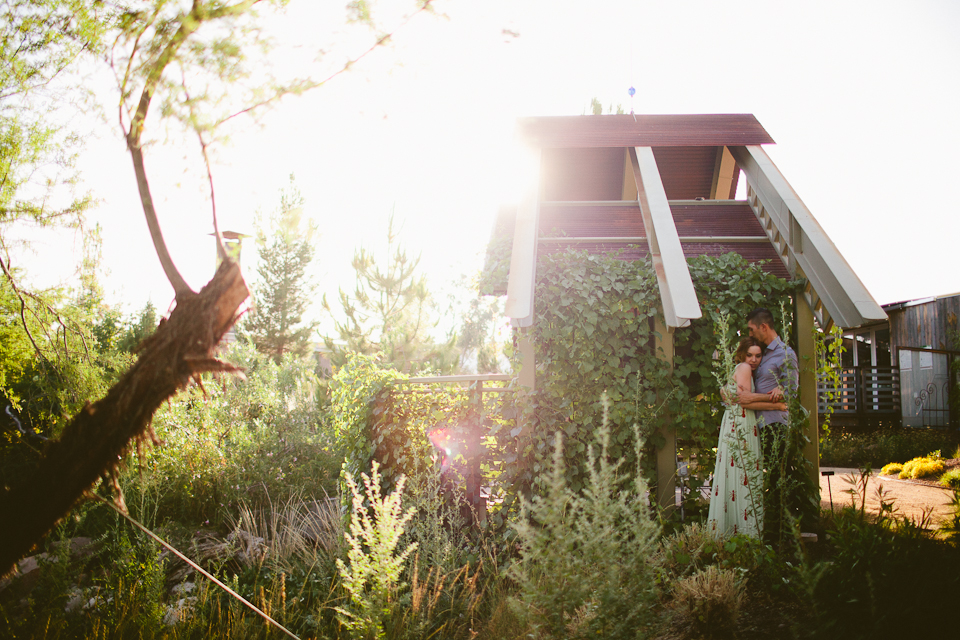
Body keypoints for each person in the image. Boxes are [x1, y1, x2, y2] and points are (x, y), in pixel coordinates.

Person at [707, 336, 786, 537]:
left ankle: (734, 532)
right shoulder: (743, 368)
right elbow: (746, 402)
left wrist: (779, 393)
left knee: (740, 474)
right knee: (744, 474)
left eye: (758, 355)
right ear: (742, 354)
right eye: (749, 355)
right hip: (741, 423)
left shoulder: (746, 370)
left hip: (738, 422)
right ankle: (744, 534)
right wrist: (777, 404)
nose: (753, 359)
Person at [737, 308, 799, 544]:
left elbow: (790, 395)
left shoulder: (785, 354)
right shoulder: (758, 354)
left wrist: (780, 393)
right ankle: (758, 530)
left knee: (776, 479)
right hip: (755, 426)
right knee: (755, 478)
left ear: (763, 327)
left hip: (775, 426)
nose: (749, 332)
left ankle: (780, 536)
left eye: (752, 328)